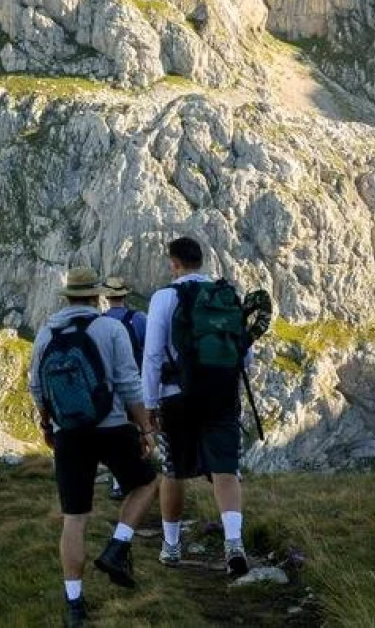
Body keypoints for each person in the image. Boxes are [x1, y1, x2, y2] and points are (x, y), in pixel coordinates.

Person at [29, 266, 160, 627]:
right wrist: (145, 429)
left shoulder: (46, 332)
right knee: (146, 483)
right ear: (97, 296)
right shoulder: (111, 328)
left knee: (74, 518)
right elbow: (129, 384)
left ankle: (74, 604)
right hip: (114, 426)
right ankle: (118, 546)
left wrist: (47, 425)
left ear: (68, 297)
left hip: (70, 432)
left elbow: (37, 388)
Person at [142, 237, 253, 576]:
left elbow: (153, 355)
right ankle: (234, 543)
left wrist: (149, 403)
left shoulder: (164, 297)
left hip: (177, 396)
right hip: (222, 394)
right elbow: (244, 354)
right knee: (226, 469)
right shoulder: (225, 295)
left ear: (174, 263)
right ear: (201, 261)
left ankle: (171, 547)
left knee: (174, 470)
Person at [100, 277, 146, 502]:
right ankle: (141, 475)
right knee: (140, 429)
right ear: (125, 296)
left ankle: (119, 483)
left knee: (118, 432)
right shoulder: (138, 319)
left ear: (106, 297)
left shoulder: (100, 322)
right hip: (136, 382)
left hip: (110, 388)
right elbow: (151, 350)